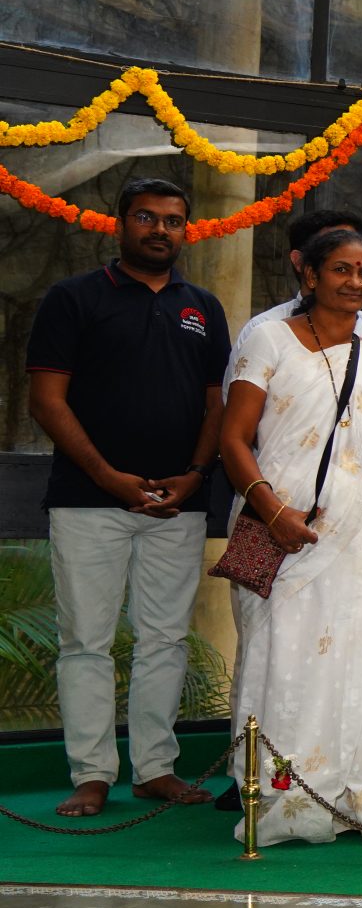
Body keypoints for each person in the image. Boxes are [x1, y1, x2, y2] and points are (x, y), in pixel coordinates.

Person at [28, 176, 231, 817]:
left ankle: (154, 769)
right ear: (120, 224)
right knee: (85, 640)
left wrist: (196, 474)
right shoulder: (74, 297)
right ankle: (92, 773)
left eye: (173, 220)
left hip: (177, 502)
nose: (160, 230)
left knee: (164, 640)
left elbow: (215, 404)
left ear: (186, 230)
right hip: (88, 501)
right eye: (147, 217)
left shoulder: (204, 306)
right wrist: (107, 476)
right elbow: (47, 400)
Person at [216, 226, 362, 845]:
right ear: (309, 275)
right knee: (287, 656)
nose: (355, 282)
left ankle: (360, 794)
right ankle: (288, 800)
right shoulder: (269, 340)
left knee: (361, 658)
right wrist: (272, 511)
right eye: (342, 269)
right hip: (285, 534)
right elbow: (232, 439)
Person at [226, 205, 362, 442]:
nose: (355, 282)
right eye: (340, 267)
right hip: (275, 474)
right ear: (308, 270)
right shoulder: (266, 332)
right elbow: (237, 428)